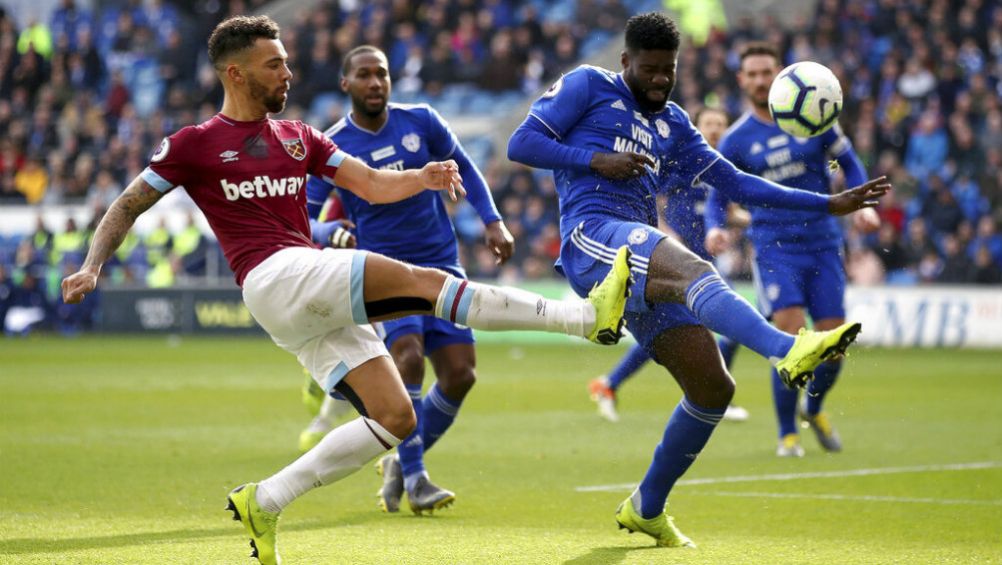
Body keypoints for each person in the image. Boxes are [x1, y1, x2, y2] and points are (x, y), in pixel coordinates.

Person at [60, 16, 632, 565]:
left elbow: (371, 184)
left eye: (286, 63)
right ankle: (584, 320)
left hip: (295, 293)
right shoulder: (194, 143)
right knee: (429, 284)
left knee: (395, 416)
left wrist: (424, 176)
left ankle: (264, 501)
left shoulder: (298, 136)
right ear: (235, 73)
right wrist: (92, 265)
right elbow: (129, 202)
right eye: (274, 65)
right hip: (274, 275)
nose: (288, 73)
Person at [507, 12, 888, 548]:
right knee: (692, 267)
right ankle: (785, 349)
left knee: (713, 387)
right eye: (650, 69)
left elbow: (738, 183)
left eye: (670, 69)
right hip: (591, 238)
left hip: (640, 258)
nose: (661, 79)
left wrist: (828, 201)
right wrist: (596, 159)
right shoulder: (587, 86)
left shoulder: (675, 125)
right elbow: (521, 143)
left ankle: (647, 507)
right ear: (625, 63)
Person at [301, 45, 515, 515]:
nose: (375, 82)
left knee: (461, 374)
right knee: (410, 358)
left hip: (441, 263)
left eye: (381, 74)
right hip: (382, 270)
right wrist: (329, 230)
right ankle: (416, 477)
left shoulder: (420, 120)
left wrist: (492, 220)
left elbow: (466, 167)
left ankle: (401, 463)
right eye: (364, 74)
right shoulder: (333, 145)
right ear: (346, 84)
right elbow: (302, 218)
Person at [704, 43, 880, 457]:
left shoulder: (817, 115)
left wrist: (863, 207)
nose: (761, 80)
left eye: (767, 72)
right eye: (752, 74)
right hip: (774, 248)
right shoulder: (736, 140)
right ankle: (787, 434)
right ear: (741, 80)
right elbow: (716, 197)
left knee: (833, 343)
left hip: (823, 243)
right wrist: (715, 228)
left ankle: (813, 408)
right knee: (790, 336)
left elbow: (851, 164)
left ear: (780, 73)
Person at [587, 106, 750, 424]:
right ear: (698, 127)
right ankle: (714, 397)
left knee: (674, 331)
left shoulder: (720, 170)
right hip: (672, 261)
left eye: (720, 123)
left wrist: (751, 221)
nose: (715, 129)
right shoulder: (681, 164)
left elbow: (720, 211)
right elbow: (651, 197)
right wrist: (666, 234)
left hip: (702, 263)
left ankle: (611, 384)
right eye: (709, 123)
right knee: (712, 327)